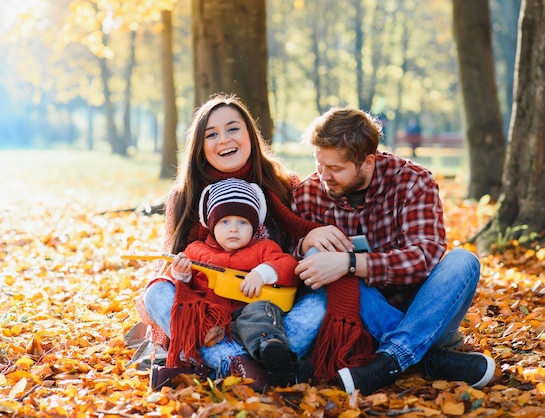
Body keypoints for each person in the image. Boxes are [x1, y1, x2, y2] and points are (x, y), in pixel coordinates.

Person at [292, 106, 496, 395]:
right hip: (359, 319)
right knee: (315, 257)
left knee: (464, 261)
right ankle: (420, 357)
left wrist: (351, 264)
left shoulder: (413, 181)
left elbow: (424, 256)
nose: (324, 175)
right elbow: (290, 264)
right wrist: (306, 241)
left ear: (367, 162)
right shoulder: (307, 193)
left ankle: (390, 357)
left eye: (336, 168)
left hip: (426, 310)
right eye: (318, 163)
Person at [135, 93, 326, 390]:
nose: (224, 139)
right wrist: (176, 276)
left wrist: (303, 242)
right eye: (212, 134)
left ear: (250, 134)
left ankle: (231, 361)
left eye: (233, 129)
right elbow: (172, 265)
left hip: (272, 314)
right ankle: (238, 362)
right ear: (200, 146)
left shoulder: (283, 185)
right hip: (212, 318)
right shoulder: (184, 197)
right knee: (156, 294)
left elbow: (295, 261)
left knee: (322, 300)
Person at [162, 177, 300, 387]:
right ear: (211, 225)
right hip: (216, 325)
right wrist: (182, 275)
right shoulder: (195, 251)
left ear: (254, 226)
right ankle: (232, 362)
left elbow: (289, 265)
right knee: (180, 308)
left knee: (260, 312)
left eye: (242, 222)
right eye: (224, 222)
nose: (233, 229)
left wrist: (262, 273)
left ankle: (271, 350)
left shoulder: (263, 248)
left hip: (251, 318)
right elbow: (182, 293)